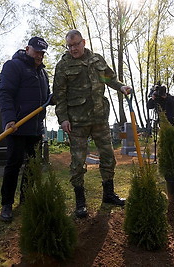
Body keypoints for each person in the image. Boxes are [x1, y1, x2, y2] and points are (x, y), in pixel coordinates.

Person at [53, 30, 132, 218]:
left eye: (76, 44)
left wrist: (121, 87)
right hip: (77, 123)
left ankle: (109, 195)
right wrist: (62, 118)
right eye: (70, 46)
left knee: (108, 157)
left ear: (84, 42)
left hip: (99, 119)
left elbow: (109, 78)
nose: (73, 49)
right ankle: (80, 202)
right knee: (78, 162)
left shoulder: (97, 60)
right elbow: (59, 95)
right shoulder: (63, 66)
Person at [0, 36, 50, 222]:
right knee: (14, 164)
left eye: (42, 53)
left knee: (33, 167)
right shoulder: (13, 66)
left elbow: (46, 99)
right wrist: (9, 118)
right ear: (27, 49)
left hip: (35, 128)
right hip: (17, 127)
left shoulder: (43, 73)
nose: (40, 56)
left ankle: (26, 200)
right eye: (37, 52)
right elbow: (4, 94)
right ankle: (7, 204)